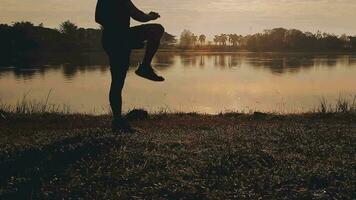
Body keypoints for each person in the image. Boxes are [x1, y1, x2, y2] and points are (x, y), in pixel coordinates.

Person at [95, 0, 165, 133]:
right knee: (157, 29)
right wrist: (150, 16)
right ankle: (145, 67)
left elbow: (98, 18)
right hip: (119, 37)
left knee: (117, 80)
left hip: (110, 39)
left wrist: (123, 34)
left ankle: (117, 121)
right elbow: (137, 15)